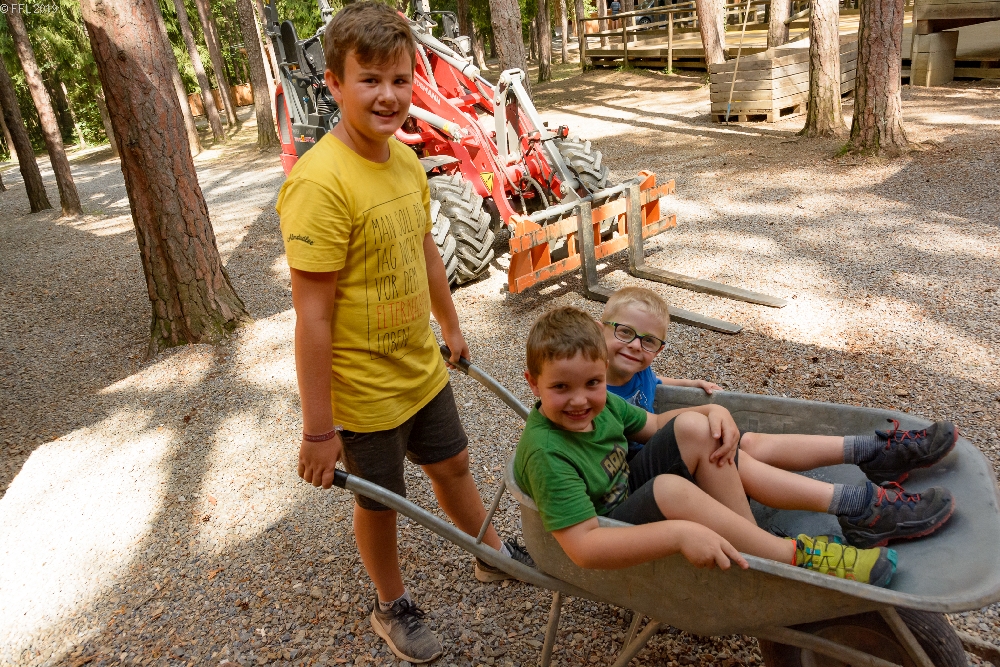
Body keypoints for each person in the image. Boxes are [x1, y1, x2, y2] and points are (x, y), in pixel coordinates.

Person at [276, 4, 529, 663]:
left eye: (399, 79)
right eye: (369, 80)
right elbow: (312, 316)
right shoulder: (319, 184)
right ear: (334, 84)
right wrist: (318, 429)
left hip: (420, 366)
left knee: (453, 464)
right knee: (382, 502)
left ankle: (490, 553)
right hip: (363, 390)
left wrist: (451, 324)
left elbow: (424, 253)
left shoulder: (407, 164)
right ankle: (390, 604)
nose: (388, 95)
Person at [514, 307, 955, 586]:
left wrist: (711, 412)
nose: (580, 400)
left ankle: (757, 549)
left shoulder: (605, 403)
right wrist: (681, 533)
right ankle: (791, 556)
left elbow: (656, 424)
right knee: (670, 488)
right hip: (609, 527)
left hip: (629, 493)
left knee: (694, 427)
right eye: (561, 387)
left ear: (601, 375)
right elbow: (585, 548)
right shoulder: (548, 453)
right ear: (533, 384)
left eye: (593, 383)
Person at [600, 286, 957, 548]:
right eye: (624, 332)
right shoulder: (587, 394)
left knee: (748, 443)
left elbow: (655, 382)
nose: (635, 345)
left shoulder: (638, 371)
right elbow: (646, 425)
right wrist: (708, 411)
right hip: (633, 482)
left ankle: (873, 453)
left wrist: (687, 384)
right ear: (599, 329)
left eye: (648, 341)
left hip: (660, 465)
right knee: (715, 443)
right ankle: (837, 514)